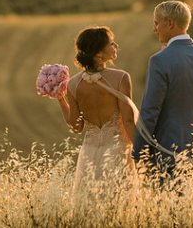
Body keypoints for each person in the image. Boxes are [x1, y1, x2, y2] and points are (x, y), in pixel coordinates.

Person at [131, 0, 193, 176]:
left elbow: (150, 110)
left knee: (168, 203)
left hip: (167, 151)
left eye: (156, 23)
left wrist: (138, 153)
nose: (154, 28)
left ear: (170, 23)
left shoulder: (159, 60)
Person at [54, 26, 137, 194]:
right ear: (99, 53)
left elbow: (76, 127)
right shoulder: (121, 78)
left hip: (89, 155)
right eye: (111, 43)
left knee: (90, 205)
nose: (116, 46)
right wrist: (141, 152)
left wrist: (61, 99)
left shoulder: (73, 84)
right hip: (117, 151)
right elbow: (128, 121)